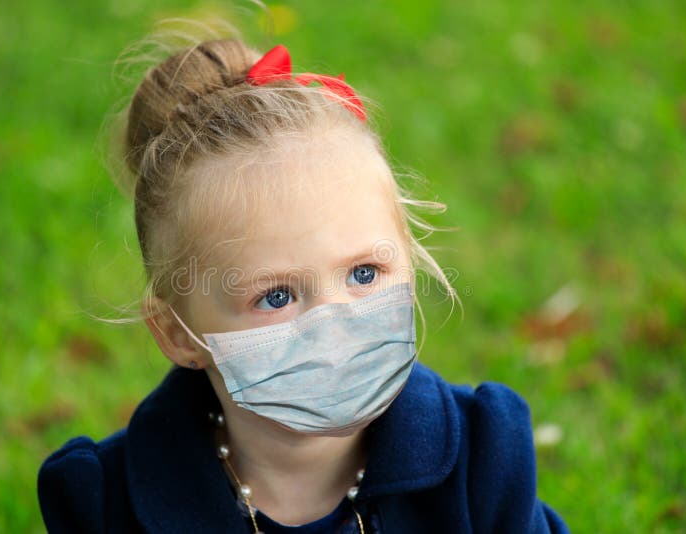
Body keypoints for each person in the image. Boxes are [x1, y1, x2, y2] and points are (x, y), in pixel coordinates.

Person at [37, 30, 569, 533]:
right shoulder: (108, 502)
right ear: (178, 333)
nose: (335, 322)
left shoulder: (483, 461)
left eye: (364, 273)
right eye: (276, 296)